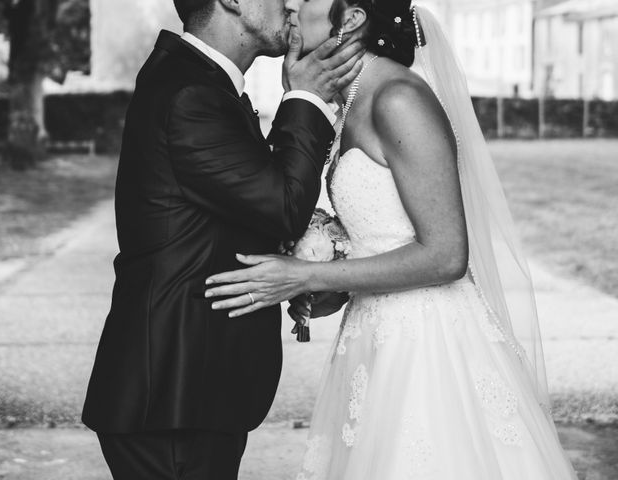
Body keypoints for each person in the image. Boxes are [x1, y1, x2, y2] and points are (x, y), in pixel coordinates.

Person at [204, 1, 579, 478]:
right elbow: (386, 234)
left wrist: (305, 275)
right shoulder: (354, 99)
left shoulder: (398, 99)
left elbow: (446, 255)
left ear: (354, 18)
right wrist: (333, 283)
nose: (293, 6)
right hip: (375, 338)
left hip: (429, 345)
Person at [81, 0, 365, 477]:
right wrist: (306, 99)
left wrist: (303, 268)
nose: (291, 4)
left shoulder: (199, 82)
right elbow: (282, 204)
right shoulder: (192, 92)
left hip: (190, 395)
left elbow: (232, 209)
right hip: (173, 398)